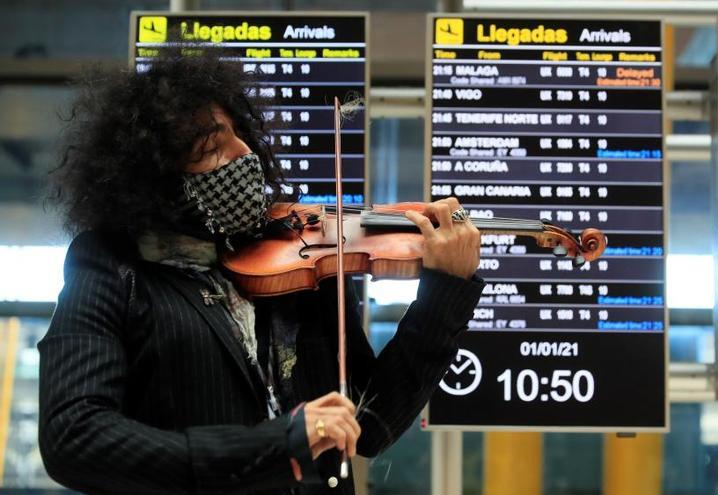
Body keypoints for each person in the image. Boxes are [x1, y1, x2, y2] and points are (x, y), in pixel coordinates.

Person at [39, 55, 483, 494]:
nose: (244, 154)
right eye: (212, 148)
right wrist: (279, 445)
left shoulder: (304, 260)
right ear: (156, 181)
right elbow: (74, 437)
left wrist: (443, 293)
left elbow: (371, 426)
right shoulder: (112, 265)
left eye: (239, 134)